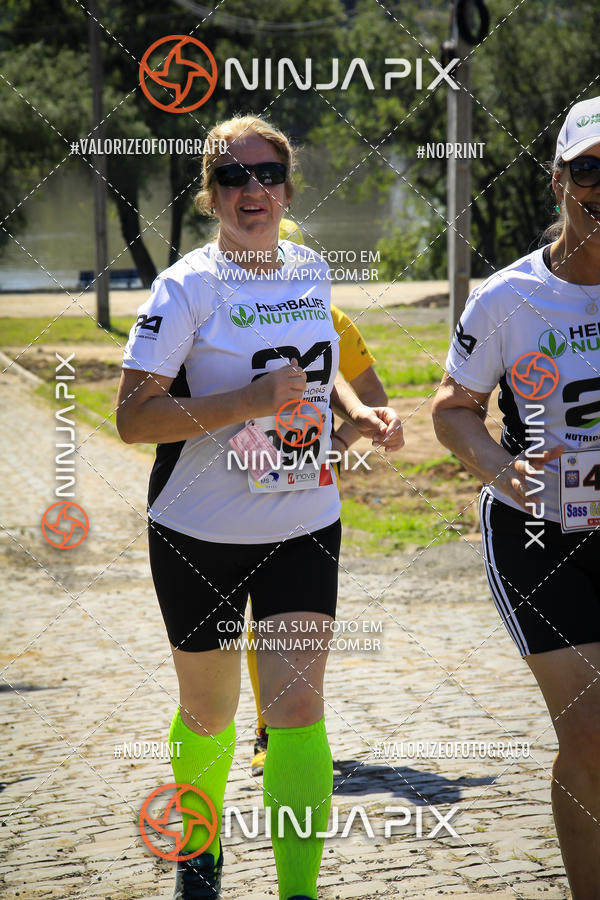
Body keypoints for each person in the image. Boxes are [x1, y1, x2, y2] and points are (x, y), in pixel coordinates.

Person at [116, 114, 404, 900]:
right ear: (210, 195)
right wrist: (246, 401)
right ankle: (199, 852)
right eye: (233, 176)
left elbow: (317, 367)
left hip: (302, 521)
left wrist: (358, 415)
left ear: (287, 189)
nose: (254, 189)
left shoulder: (310, 269)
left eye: (268, 174)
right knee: (210, 714)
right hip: (198, 529)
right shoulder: (186, 287)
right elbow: (133, 418)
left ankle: (298, 893)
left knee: (298, 708)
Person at [432, 97, 600, 898]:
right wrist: (505, 472)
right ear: (559, 180)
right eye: (590, 169)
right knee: (592, 737)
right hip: (542, 537)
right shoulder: (507, 299)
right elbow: (452, 410)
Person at [247, 223, 389, 776]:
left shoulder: (333, 320)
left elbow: (372, 395)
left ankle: (278, 730)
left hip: (304, 491)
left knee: (283, 621)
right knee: (246, 623)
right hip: (229, 490)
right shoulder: (222, 314)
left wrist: (336, 447)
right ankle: (261, 724)